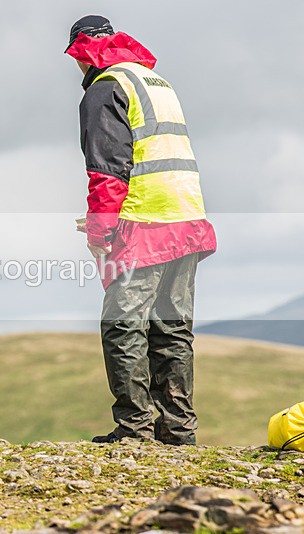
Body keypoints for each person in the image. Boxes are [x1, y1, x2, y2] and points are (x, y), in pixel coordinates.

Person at [65, 16, 217, 445]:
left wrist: (100, 232)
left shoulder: (104, 88)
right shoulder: (155, 82)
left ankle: (134, 429)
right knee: (172, 328)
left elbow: (107, 172)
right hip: (187, 215)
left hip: (144, 220)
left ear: (79, 53)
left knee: (123, 324)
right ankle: (178, 431)